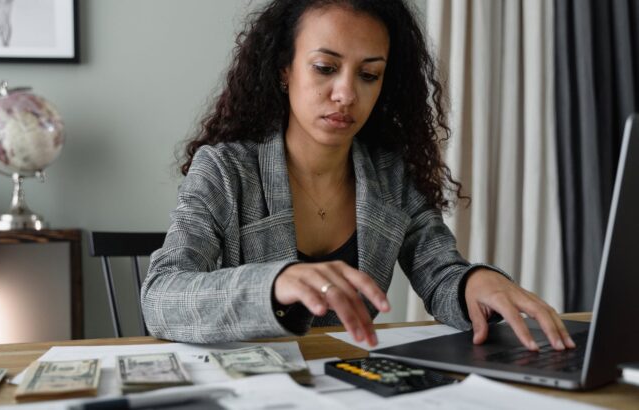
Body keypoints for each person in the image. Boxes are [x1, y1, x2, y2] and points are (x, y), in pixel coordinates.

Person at [141, 0, 575, 352]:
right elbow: (161, 296)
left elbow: (439, 273)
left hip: (352, 385)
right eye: (325, 68)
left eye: (369, 74)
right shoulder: (225, 169)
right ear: (284, 71)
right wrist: (274, 284)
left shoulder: (389, 175)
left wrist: (474, 281)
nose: (347, 93)